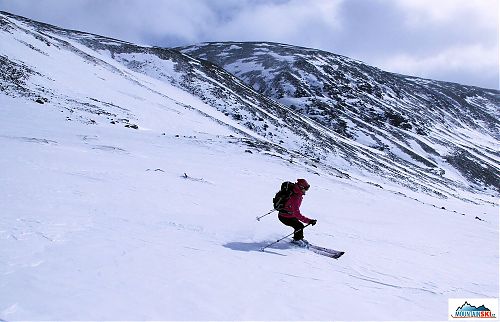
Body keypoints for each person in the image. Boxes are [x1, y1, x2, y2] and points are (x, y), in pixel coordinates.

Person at [277, 178, 317, 246]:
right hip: (285, 217)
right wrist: (309, 221)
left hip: (288, 214)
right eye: (306, 189)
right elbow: (297, 214)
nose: (306, 190)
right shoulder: (295, 197)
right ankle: (296, 240)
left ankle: (299, 238)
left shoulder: (295, 192)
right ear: (301, 187)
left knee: (299, 226)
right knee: (299, 225)